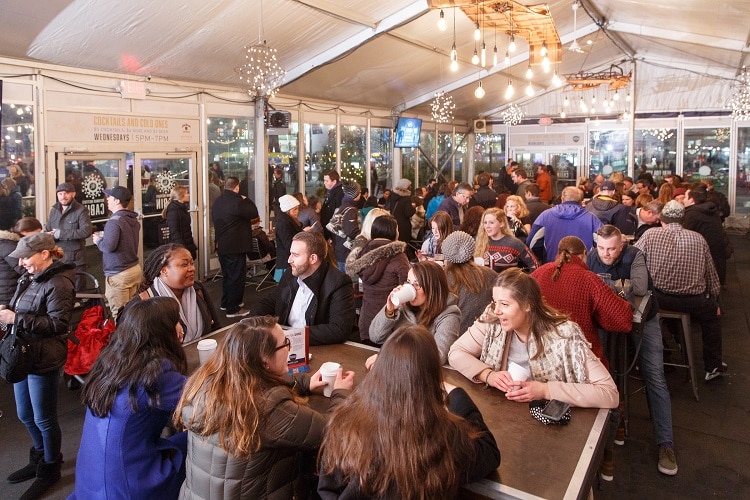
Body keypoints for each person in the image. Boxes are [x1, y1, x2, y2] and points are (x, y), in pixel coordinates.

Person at [176, 316, 354, 499]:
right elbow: (333, 432)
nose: (289, 348)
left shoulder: (204, 384)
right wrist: (340, 394)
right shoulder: (269, 410)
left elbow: (258, 381)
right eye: (285, 343)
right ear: (264, 361)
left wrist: (304, 383)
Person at [319, 326, 501, 500]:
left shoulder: (345, 423)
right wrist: (454, 391)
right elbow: (489, 451)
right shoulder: (447, 436)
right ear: (432, 376)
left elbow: (327, 488)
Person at [448, 268, 619, 409]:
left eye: (505, 304)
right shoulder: (493, 322)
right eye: (495, 302)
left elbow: (609, 394)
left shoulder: (564, 336)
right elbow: (456, 352)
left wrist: (545, 390)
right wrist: (488, 375)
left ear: (528, 305)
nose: (497, 310)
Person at [71, 297, 189, 499]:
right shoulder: (157, 372)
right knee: (198, 443)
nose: (181, 326)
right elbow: (205, 398)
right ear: (165, 331)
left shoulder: (111, 361)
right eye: (177, 321)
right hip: (131, 485)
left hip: (91, 481)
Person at [587, 225, 678, 476]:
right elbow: (591, 285)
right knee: (603, 370)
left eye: (612, 249)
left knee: (655, 377)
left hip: (644, 318)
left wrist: (603, 285)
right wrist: (618, 285)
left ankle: (666, 444)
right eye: (602, 248)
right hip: (607, 317)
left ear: (622, 245)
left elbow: (638, 287)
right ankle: (610, 430)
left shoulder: (635, 254)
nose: (606, 254)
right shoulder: (592, 254)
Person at [1, 233, 74, 499]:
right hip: (24, 354)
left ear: (45, 254)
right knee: (24, 414)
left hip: (44, 358)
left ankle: (50, 467)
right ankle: (40, 456)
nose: (21, 263)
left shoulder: (60, 283)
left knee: (44, 418)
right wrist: (7, 311)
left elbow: (59, 325)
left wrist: (16, 317)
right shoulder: (30, 277)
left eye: (25, 257)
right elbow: (22, 307)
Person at [635, 200, 727, 381]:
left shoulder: (650, 234)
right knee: (712, 320)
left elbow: (634, 259)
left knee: (648, 316)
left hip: (659, 298)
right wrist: (715, 300)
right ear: (683, 221)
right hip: (694, 301)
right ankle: (713, 366)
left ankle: (662, 356)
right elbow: (711, 275)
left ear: (662, 219)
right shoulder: (698, 238)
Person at [530, 236, 632, 368]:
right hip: (581, 360)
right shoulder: (589, 279)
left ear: (559, 253)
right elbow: (623, 321)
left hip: (541, 355)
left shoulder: (538, 273)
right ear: (585, 254)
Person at [250, 231, 357, 345]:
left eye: (295, 255)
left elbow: (339, 329)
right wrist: (252, 322)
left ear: (313, 258)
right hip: (284, 343)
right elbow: (270, 302)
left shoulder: (338, 282)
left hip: (316, 347)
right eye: (290, 254)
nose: (289, 260)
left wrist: (290, 336)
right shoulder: (290, 275)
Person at [124, 243, 219, 343]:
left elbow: (216, 328)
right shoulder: (143, 304)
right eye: (184, 264)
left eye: (192, 263)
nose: (192, 269)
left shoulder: (198, 290)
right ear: (164, 271)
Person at [369, 261, 460, 364]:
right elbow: (375, 337)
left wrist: (388, 358)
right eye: (408, 282)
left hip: (424, 376)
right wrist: (389, 311)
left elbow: (438, 357)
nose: (411, 288)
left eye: (417, 284)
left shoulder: (449, 315)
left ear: (433, 288)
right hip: (396, 372)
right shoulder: (403, 306)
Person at [345, 214, 410, 343]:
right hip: (389, 323)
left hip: (366, 320)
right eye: (397, 229)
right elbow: (406, 287)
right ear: (392, 231)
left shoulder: (362, 252)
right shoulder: (398, 256)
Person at [93, 186, 141, 322]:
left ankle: (125, 342)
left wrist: (98, 241)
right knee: (132, 312)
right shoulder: (132, 219)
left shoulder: (114, 222)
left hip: (119, 274)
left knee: (120, 315)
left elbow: (108, 247)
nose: (107, 199)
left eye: (109, 197)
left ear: (117, 200)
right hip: (133, 269)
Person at [212, 176, 258, 317]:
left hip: (222, 244)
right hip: (235, 245)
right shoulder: (238, 202)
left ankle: (226, 303)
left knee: (227, 275)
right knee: (236, 276)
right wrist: (246, 199)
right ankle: (233, 309)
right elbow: (254, 213)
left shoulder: (218, 201)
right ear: (237, 187)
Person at [527, 186, 602, 263]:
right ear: (581, 202)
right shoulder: (592, 219)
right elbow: (602, 244)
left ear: (562, 199)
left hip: (553, 266)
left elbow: (532, 243)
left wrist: (544, 258)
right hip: (583, 267)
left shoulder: (545, 216)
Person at [442, 231, 498, 334]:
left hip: (453, 337)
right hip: (485, 335)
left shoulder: (443, 279)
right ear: (472, 250)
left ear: (446, 254)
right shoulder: (491, 275)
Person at [45, 182, 93, 291]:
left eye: (66, 193)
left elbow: (86, 231)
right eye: (60, 194)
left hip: (76, 259)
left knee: (78, 291)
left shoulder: (81, 210)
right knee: (60, 289)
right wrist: (46, 234)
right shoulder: (54, 210)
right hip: (57, 257)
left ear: (73, 194)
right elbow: (48, 228)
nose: (63, 196)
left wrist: (61, 233)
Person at [682, 183, 730, 285]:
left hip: (705, 265)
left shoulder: (692, 214)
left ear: (691, 200)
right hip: (717, 262)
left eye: (685, 197)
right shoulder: (710, 210)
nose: (683, 200)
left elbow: (684, 238)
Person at [474, 208, 538, 273]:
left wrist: (523, 281)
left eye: (491, 223)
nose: (487, 226)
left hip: (507, 282)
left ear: (501, 224)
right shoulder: (480, 243)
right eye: (485, 222)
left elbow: (535, 264)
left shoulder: (514, 243)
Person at [1, 217, 43, 306]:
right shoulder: (10, 246)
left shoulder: (8, 243)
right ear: (24, 232)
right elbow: (23, 269)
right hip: (7, 293)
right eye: (35, 235)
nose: (37, 238)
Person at [330, 180, 361, 271]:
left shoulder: (343, 207)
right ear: (354, 195)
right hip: (347, 252)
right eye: (359, 192)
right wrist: (362, 236)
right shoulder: (350, 210)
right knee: (348, 280)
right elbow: (352, 231)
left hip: (340, 249)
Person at [163, 185, 198, 260]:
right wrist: (182, 249)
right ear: (181, 196)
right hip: (181, 246)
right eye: (187, 193)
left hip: (186, 243)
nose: (188, 195)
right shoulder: (174, 210)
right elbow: (174, 232)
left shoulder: (181, 208)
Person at [274, 194, 303, 281]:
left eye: (298, 209)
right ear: (287, 210)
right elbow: (288, 244)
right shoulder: (283, 223)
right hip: (286, 261)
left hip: (289, 259)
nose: (297, 211)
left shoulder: (287, 220)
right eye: (295, 209)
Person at [321, 169, 344, 239]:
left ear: (334, 181)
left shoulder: (339, 194)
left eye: (326, 181)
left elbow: (337, 214)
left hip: (333, 234)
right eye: (324, 180)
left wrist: (330, 236)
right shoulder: (330, 192)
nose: (324, 183)